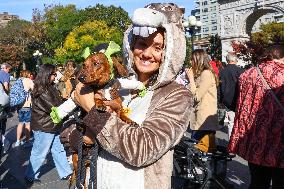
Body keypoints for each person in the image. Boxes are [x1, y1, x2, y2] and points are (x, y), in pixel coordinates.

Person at [72, 3, 193, 189]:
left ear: (169, 52)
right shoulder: (117, 86)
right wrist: (81, 137)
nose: (147, 54)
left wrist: (92, 109)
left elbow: (141, 150)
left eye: (158, 47)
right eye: (142, 45)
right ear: (131, 46)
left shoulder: (177, 95)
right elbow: (76, 140)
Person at [228, 44, 284, 189]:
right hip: (279, 142)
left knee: (258, 182)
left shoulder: (247, 74)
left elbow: (234, 103)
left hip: (255, 141)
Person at [25, 64, 72, 183]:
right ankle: (30, 175)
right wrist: (71, 103)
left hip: (52, 125)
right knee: (39, 153)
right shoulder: (42, 90)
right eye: (53, 74)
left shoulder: (49, 86)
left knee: (59, 150)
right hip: (44, 127)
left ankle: (66, 172)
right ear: (46, 74)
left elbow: (59, 102)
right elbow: (55, 106)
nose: (55, 76)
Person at [185, 49, 219, 153]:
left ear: (198, 60)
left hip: (204, 121)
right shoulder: (200, 74)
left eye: (192, 59)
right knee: (199, 153)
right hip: (200, 120)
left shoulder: (206, 74)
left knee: (201, 154)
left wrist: (191, 79)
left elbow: (196, 96)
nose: (190, 62)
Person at [219, 52, 244, 138]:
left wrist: (219, 101)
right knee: (237, 123)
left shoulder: (222, 72)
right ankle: (236, 144)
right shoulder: (240, 71)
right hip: (238, 100)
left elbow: (219, 88)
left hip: (226, 101)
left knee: (230, 123)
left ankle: (230, 144)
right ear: (236, 60)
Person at [14, 70, 34, 147]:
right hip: (27, 105)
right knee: (28, 124)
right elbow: (35, 90)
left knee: (20, 123)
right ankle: (27, 141)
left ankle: (17, 141)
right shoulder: (28, 80)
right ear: (27, 74)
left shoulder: (18, 81)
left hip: (19, 105)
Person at [0, 63, 12, 154]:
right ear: (6, 68)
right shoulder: (5, 74)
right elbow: (6, 86)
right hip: (2, 102)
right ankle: (3, 140)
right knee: (3, 120)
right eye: (9, 69)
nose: (9, 71)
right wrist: (7, 94)